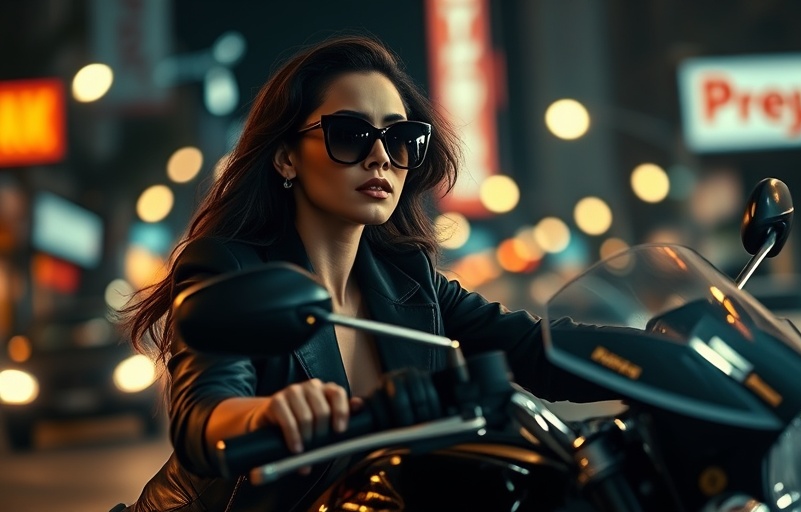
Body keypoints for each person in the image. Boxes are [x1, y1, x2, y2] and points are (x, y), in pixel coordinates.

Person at [115, 32, 614, 512]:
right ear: (286, 157)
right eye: (351, 135)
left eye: (400, 138)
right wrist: (265, 413)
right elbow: (204, 412)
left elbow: (537, 349)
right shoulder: (229, 269)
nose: (380, 156)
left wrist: (656, 353)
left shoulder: (409, 283)